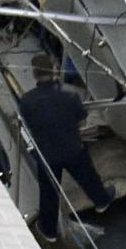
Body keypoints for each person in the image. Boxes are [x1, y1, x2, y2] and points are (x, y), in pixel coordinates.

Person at [15, 54, 110, 238]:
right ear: (55, 73)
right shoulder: (70, 97)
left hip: (47, 155)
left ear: (35, 75)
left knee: (49, 193)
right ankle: (102, 201)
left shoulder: (26, 101)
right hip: (73, 148)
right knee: (88, 177)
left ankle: (49, 231)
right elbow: (82, 125)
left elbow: (27, 124)